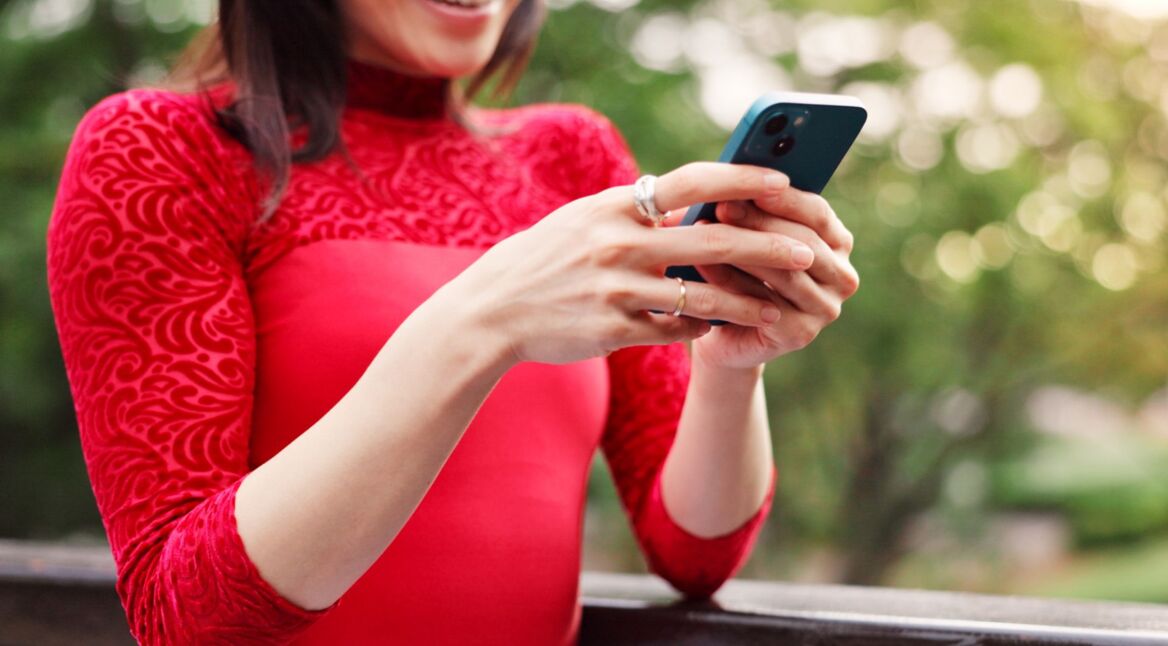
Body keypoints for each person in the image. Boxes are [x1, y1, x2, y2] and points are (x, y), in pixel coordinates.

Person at [46, 0, 859, 644]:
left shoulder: (571, 156)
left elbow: (694, 552)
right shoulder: (160, 149)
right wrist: (482, 323)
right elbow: (185, 613)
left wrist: (728, 358)